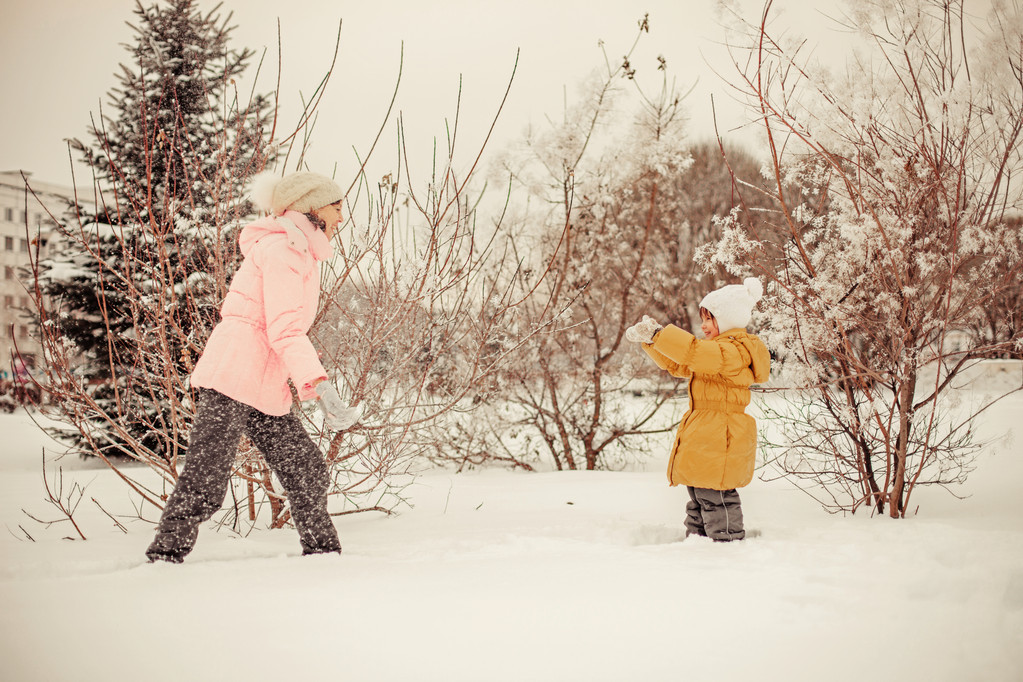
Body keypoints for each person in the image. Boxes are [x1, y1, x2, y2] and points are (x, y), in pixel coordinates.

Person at [146, 172, 362, 564]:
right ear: (310, 209)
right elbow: (284, 328)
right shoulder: (283, 251)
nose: (341, 216)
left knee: (306, 468)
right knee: (207, 474)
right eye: (336, 206)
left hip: (264, 381)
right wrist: (320, 385)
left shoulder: (299, 251)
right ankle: (165, 555)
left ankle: (324, 553)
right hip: (235, 373)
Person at [626, 278, 770, 541]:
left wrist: (660, 334)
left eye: (709, 319)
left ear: (727, 320)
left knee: (716, 496)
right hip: (709, 431)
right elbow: (679, 365)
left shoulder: (731, 352)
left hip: (722, 434)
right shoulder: (715, 353)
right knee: (699, 494)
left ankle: (726, 544)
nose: (702, 325)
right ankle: (698, 543)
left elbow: (691, 353)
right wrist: (652, 341)